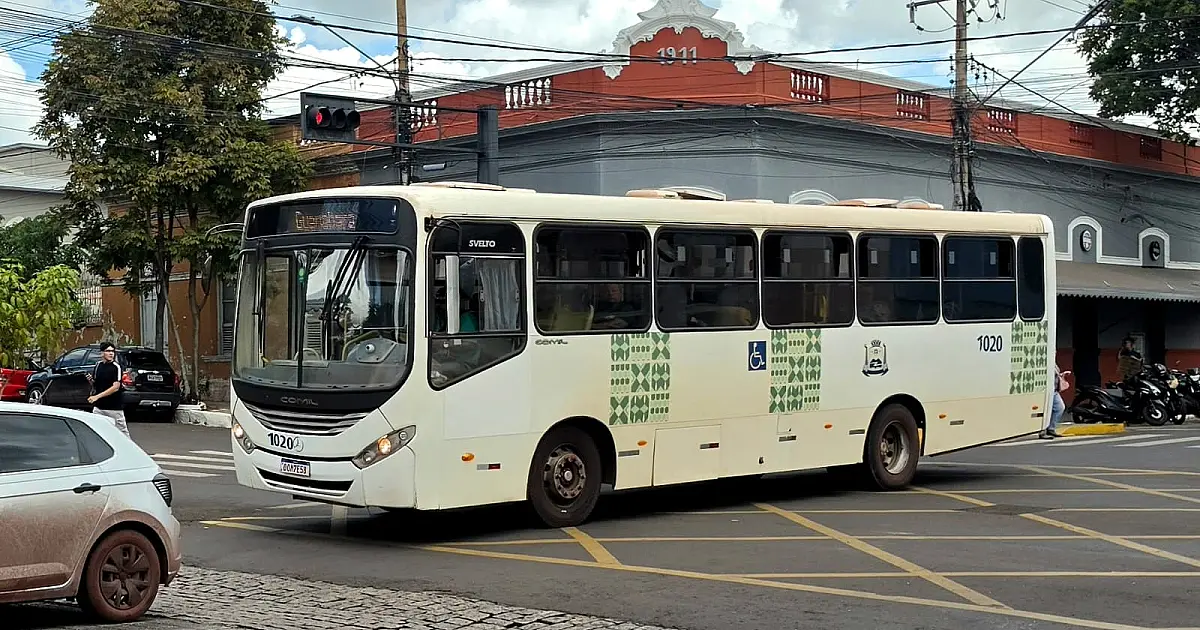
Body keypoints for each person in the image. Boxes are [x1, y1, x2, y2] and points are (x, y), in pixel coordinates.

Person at [88, 341, 129, 438]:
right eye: (108, 351)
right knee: (97, 431)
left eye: (113, 351)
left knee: (123, 434)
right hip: (99, 407)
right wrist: (91, 381)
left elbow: (115, 387)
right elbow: (96, 384)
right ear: (102, 353)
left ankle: (131, 451)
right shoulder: (98, 365)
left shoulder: (116, 367)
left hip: (113, 408)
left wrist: (97, 396)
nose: (111, 353)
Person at [1043, 363, 1070, 439]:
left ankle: (1051, 428)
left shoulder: (1053, 362)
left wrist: (1062, 374)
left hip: (1054, 390)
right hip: (1047, 390)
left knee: (1060, 407)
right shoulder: (1047, 360)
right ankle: (1043, 431)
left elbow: (1055, 375)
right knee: (1047, 409)